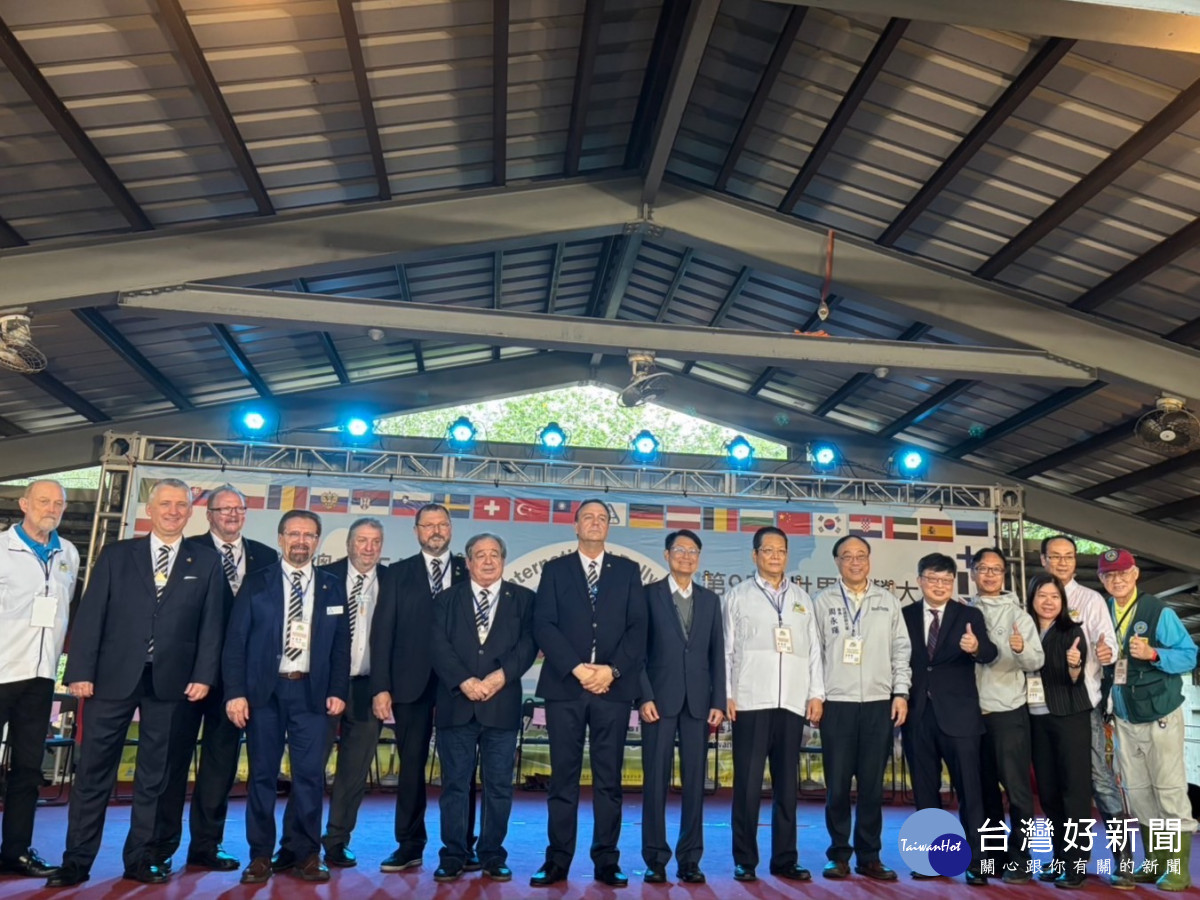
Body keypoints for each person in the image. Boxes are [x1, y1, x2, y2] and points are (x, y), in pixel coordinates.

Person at [48, 478, 224, 888]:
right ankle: (76, 861)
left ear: (190, 511)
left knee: (154, 777)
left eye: (181, 505)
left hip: (173, 684)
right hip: (110, 679)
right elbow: (91, 614)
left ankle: (142, 858)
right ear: (150, 508)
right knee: (93, 772)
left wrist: (204, 675)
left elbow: (212, 625)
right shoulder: (117, 555)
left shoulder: (206, 561)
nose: (173, 511)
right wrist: (79, 672)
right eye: (165, 504)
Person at [154, 484, 277, 872]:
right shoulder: (186, 549)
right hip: (188, 677)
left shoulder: (266, 557)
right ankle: (160, 846)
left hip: (236, 682)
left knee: (220, 765)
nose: (232, 515)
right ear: (208, 515)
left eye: (238, 509)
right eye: (224, 509)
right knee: (173, 763)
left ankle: (206, 845)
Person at [222, 510, 349, 884]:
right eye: (293, 534)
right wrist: (235, 693)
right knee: (262, 775)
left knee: (310, 777)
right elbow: (235, 642)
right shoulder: (256, 582)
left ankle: (306, 853)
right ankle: (260, 856)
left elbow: (341, 645)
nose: (301, 541)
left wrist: (338, 689)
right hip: (265, 693)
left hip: (313, 693)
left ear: (317, 541)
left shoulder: (331, 585)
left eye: (309, 535)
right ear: (280, 538)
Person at [530, 498, 647, 888]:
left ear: (608, 527)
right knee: (562, 778)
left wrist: (611, 671)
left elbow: (638, 628)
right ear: (575, 526)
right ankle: (557, 860)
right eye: (588, 518)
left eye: (602, 518)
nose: (595, 523)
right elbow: (543, 624)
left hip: (612, 689)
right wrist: (578, 669)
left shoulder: (627, 571)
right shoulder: (556, 569)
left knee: (609, 780)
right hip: (566, 686)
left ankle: (607, 860)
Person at [428, 533, 537, 883]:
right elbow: (437, 644)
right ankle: (453, 854)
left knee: (499, 786)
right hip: (457, 704)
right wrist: (464, 680)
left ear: (503, 560)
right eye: (480, 555)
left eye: (494, 554)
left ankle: (492, 853)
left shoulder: (524, 599)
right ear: (468, 562)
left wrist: (499, 677)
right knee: (455, 785)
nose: (488, 561)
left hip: (501, 705)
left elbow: (529, 645)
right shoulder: (446, 599)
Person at [370, 503, 470, 873]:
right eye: (428, 525)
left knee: (460, 768)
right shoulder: (397, 573)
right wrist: (381, 686)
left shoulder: (468, 569)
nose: (435, 531)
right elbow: (382, 632)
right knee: (411, 767)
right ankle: (409, 845)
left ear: (451, 529)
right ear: (416, 531)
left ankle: (462, 845)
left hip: (459, 684)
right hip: (409, 685)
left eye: (442, 524)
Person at [724, 526, 824, 884]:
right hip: (751, 701)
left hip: (792, 703)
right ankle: (745, 860)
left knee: (787, 788)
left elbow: (813, 650)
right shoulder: (737, 596)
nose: (775, 556)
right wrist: (727, 693)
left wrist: (816, 693)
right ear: (755, 555)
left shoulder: (802, 598)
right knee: (747, 786)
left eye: (781, 550)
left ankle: (785, 859)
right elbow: (726, 649)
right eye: (768, 550)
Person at [1095, 549, 1197, 892]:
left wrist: (1154, 654)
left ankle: (1176, 868)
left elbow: (1189, 655)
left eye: (1123, 573)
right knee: (1137, 792)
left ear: (1135, 573)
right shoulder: (1103, 611)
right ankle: (1154, 863)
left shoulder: (1158, 611)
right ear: (1101, 579)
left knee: (1168, 790)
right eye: (1109, 575)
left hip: (1160, 714)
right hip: (1124, 715)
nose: (1117, 580)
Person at [812, 535, 909, 882]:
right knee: (837, 784)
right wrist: (816, 695)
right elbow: (814, 654)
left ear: (869, 560)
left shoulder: (887, 601)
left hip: (878, 704)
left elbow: (901, 650)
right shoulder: (822, 601)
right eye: (847, 556)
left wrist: (900, 692)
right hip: (837, 703)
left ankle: (869, 856)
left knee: (871, 784)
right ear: (837, 562)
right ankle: (838, 854)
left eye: (861, 556)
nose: (855, 562)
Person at [901, 552, 997, 886]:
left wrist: (975, 647)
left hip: (960, 717)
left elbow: (990, 653)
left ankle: (978, 862)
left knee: (971, 791)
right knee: (925, 791)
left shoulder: (969, 614)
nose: (939, 585)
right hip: (918, 715)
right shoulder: (904, 615)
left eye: (946, 580)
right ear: (920, 581)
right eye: (932, 579)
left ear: (953, 582)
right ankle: (932, 861)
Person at [0, 480, 79, 879]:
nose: (52, 508)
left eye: (58, 503)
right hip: (1, 672)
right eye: (44, 501)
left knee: (29, 770)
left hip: (41, 677)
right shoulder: (2, 548)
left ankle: (16, 851)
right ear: (24, 503)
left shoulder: (69, 553)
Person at [638, 529, 725, 885]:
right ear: (666, 554)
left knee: (694, 785)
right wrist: (644, 696)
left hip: (698, 704)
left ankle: (690, 859)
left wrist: (718, 700)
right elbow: (637, 652)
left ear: (699, 559)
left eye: (693, 551)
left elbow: (716, 654)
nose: (686, 556)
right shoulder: (647, 595)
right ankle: (655, 859)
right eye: (680, 550)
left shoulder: (710, 600)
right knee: (655, 783)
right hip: (658, 702)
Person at [1040, 535, 1128, 883]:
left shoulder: (1090, 600)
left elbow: (1110, 645)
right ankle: (1063, 857)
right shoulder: (1035, 598)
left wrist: (1107, 653)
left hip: (1081, 706)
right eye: (1055, 556)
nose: (1062, 562)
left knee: (1098, 781)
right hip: (1040, 708)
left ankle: (1122, 859)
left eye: (1069, 556)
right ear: (1043, 560)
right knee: (1052, 786)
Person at [968, 547, 1042, 882]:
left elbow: (1036, 661)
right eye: (983, 568)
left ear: (1004, 575)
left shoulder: (1019, 616)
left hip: (1008, 712)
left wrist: (1020, 648)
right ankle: (993, 858)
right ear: (973, 572)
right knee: (984, 794)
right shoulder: (963, 611)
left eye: (996, 569)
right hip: (971, 717)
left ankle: (1021, 858)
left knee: (1017, 791)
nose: (989, 575)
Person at [318, 517, 385, 867]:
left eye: (375, 541)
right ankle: (298, 842)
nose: (368, 548)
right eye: (362, 540)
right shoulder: (323, 577)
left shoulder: (392, 581)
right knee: (310, 766)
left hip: (368, 688)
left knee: (354, 771)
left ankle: (337, 840)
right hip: (323, 686)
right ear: (348, 544)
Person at [1025, 573, 1092, 889]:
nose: (1048, 602)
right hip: (1035, 720)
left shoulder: (1071, 631)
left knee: (1074, 792)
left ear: (1062, 602)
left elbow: (1076, 678)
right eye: (1042, 595)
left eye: (1054, 596)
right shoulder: (1024, 630)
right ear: (1032, 599)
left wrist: (1075, 665)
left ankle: (1076, 862)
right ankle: (1059, 857)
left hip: (1069, 717)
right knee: (1049, 793)